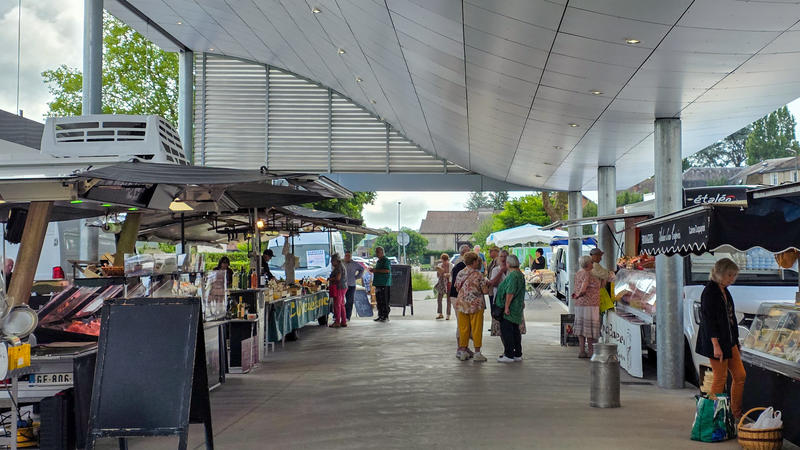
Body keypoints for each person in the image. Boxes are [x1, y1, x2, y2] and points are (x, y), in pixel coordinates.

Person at [696, 258, 745, 419]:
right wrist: (715, 345)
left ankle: (735, 413)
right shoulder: (710, 292)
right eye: (729, 275)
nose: (732, 279)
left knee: (740, 375)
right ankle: (712, 416)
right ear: (719, 273)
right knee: (720, 378)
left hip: (729, 341)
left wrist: (736, 341)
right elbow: (709, 321)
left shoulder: (725, 290)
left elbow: (730, 319)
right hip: (717, 342)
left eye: (734, 276)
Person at [454, 251, 490, 362]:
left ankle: (463, 351)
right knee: (476, 328)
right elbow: (485, 291)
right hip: (475, 305)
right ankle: (477, 353)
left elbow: (456, 287)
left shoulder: (460, 273)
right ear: (474, 261)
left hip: (461, 304)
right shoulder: (478, 275)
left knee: (463, 328)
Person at [496, 255, 526, 363]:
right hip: (516, 307)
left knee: (507, 331)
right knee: (515, 331)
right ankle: (517, 353)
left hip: (510, 308)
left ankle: (509, 354)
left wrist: (506, 307)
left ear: (509, 264)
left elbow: (510, 292)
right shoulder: (520, 274)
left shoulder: (513, 275)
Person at [572, 255, 601, 358]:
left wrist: (576, 296)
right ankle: (590, 351)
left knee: (581, 327)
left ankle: (581, 351)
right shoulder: (588, 274)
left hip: (580, 304)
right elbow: (583, 289)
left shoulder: (578, 273)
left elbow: (577, 287)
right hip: (590, 304)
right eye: (592, 263)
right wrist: (580, 294)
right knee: (589, 328)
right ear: (588, 264)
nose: (593, 264)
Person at [448, 244, 471, 321]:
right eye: (469, 251)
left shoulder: (462, 263)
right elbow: (457, 283)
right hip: (457, 295)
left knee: (462, 321)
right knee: (462, 321)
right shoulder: (460, 264)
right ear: (464, 252)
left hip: (458, 295)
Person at [488, 250, 508, 338]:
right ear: (498, 258)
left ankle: (515, 349)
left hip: (512, 300)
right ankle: (506, 349)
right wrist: (501, 272)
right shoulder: (495, 270)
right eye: (501, 256)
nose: (503, 259)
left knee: (513, 326)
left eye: (505, 256)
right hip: (499, 300)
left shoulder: (512, 270)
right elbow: (493, 283)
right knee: (502, 327)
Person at [369, 246, 392, 322]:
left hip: (384, 283)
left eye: (378, 252)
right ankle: (380, 315)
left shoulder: (386, 260)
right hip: (378, 283)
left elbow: (387, 270)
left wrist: (376, 270)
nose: (376, 253)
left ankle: (385, 316)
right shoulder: (378, 261)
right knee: (379, 300)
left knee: (384, 300)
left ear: (382, 252)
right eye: (376, 252)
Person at [343, 251, 365, 321]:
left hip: (351, 285)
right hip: (342, 285)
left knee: (350, 301)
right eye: (346, 256)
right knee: (341, 301)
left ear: (351, 256)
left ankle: (347, 316)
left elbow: (362, 269)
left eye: (349, 256)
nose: (347, 257)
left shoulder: (355, 264)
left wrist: (357, 276)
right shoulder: (342, 263)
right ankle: (340, 315)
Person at [328, 253, 348, 328]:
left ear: (336, 261)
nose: (331, 263)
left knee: (337, 305)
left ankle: (337, 322)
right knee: (341, 305)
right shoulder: (340, 266)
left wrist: (330, 279)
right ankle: (343, 321)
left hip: (339, 287)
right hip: (343, 287)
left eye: (332, 261)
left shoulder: (339, 267)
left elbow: (338, 278)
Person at [434, 253, 451, 320]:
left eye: (445, 261)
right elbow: (438, 276)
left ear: (447, 260)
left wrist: (446, 274)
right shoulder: (440, 265)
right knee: (439, 299)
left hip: (449, 283)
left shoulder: (451, 265)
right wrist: (440, 272)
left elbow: (452, 275)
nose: (444, 262)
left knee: (449, 300)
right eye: (443, 261)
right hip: (441, 283)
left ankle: (448, 314)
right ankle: (440, 313)